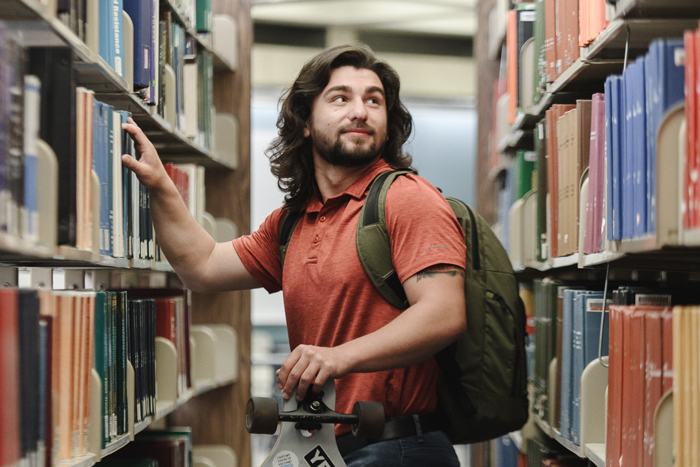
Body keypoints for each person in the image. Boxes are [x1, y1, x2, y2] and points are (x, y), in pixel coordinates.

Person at [121, 42, 467, 467]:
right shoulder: (292, 222)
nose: (360, 111)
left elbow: (444, 312)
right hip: (324, 448)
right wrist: (160, 186)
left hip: (399, 447)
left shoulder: (407, 198)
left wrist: (339, 356)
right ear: (304, 121)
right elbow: (203, 267)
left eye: (374, 100)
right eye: (341, 97)